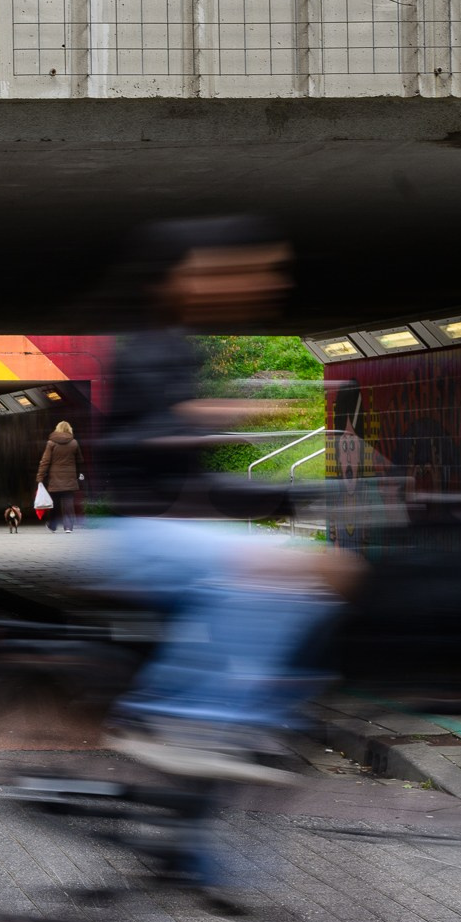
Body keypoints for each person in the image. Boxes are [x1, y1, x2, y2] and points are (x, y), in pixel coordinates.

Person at [95, 220, 359, 887]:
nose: (262, 282)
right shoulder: (147, 350)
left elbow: (200, 481)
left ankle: (186, 841)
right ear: (183, 276)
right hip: (141, 533)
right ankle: (166, 718)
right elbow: (133, 452)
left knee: (312, 586)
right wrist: (202, 416)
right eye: (238, 268)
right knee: (271, 576)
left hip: (179, 529)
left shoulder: (184, 350)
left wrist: (286, 492)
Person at [35, 420, 83, 532]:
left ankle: (52, 525)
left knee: (55, 503)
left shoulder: (51, 443)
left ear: (57, 429)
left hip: (55, 478)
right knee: (68, 503)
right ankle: (68, 527)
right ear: (69, 429)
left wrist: (40, 477)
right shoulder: (74, 443)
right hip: (69, 478)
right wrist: (78, 474)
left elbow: (45, 461)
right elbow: (79, 460)